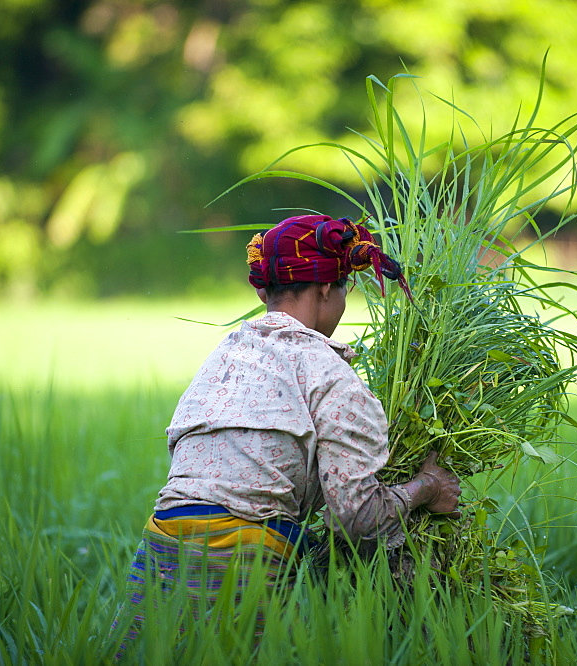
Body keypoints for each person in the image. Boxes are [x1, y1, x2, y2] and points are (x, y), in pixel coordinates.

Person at [108, 214, 461, 658]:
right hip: (242, 558)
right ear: (328, 289)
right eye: (346, 290)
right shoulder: (330, 375)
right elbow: (359, 519)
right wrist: (427, 488)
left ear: (263, 291)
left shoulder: (224, 356)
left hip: (161, 543)